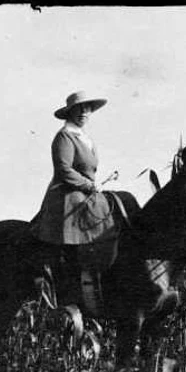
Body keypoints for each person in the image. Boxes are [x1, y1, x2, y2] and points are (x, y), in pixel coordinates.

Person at [31, 91, 118, 305]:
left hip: (86, 193)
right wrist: (87, 185)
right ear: (70, 112)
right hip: (67, 194)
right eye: (79, 109)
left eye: (87, 109)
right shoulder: (65, 136)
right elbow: (64, 169)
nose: (83, 113)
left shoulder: (85, 138)